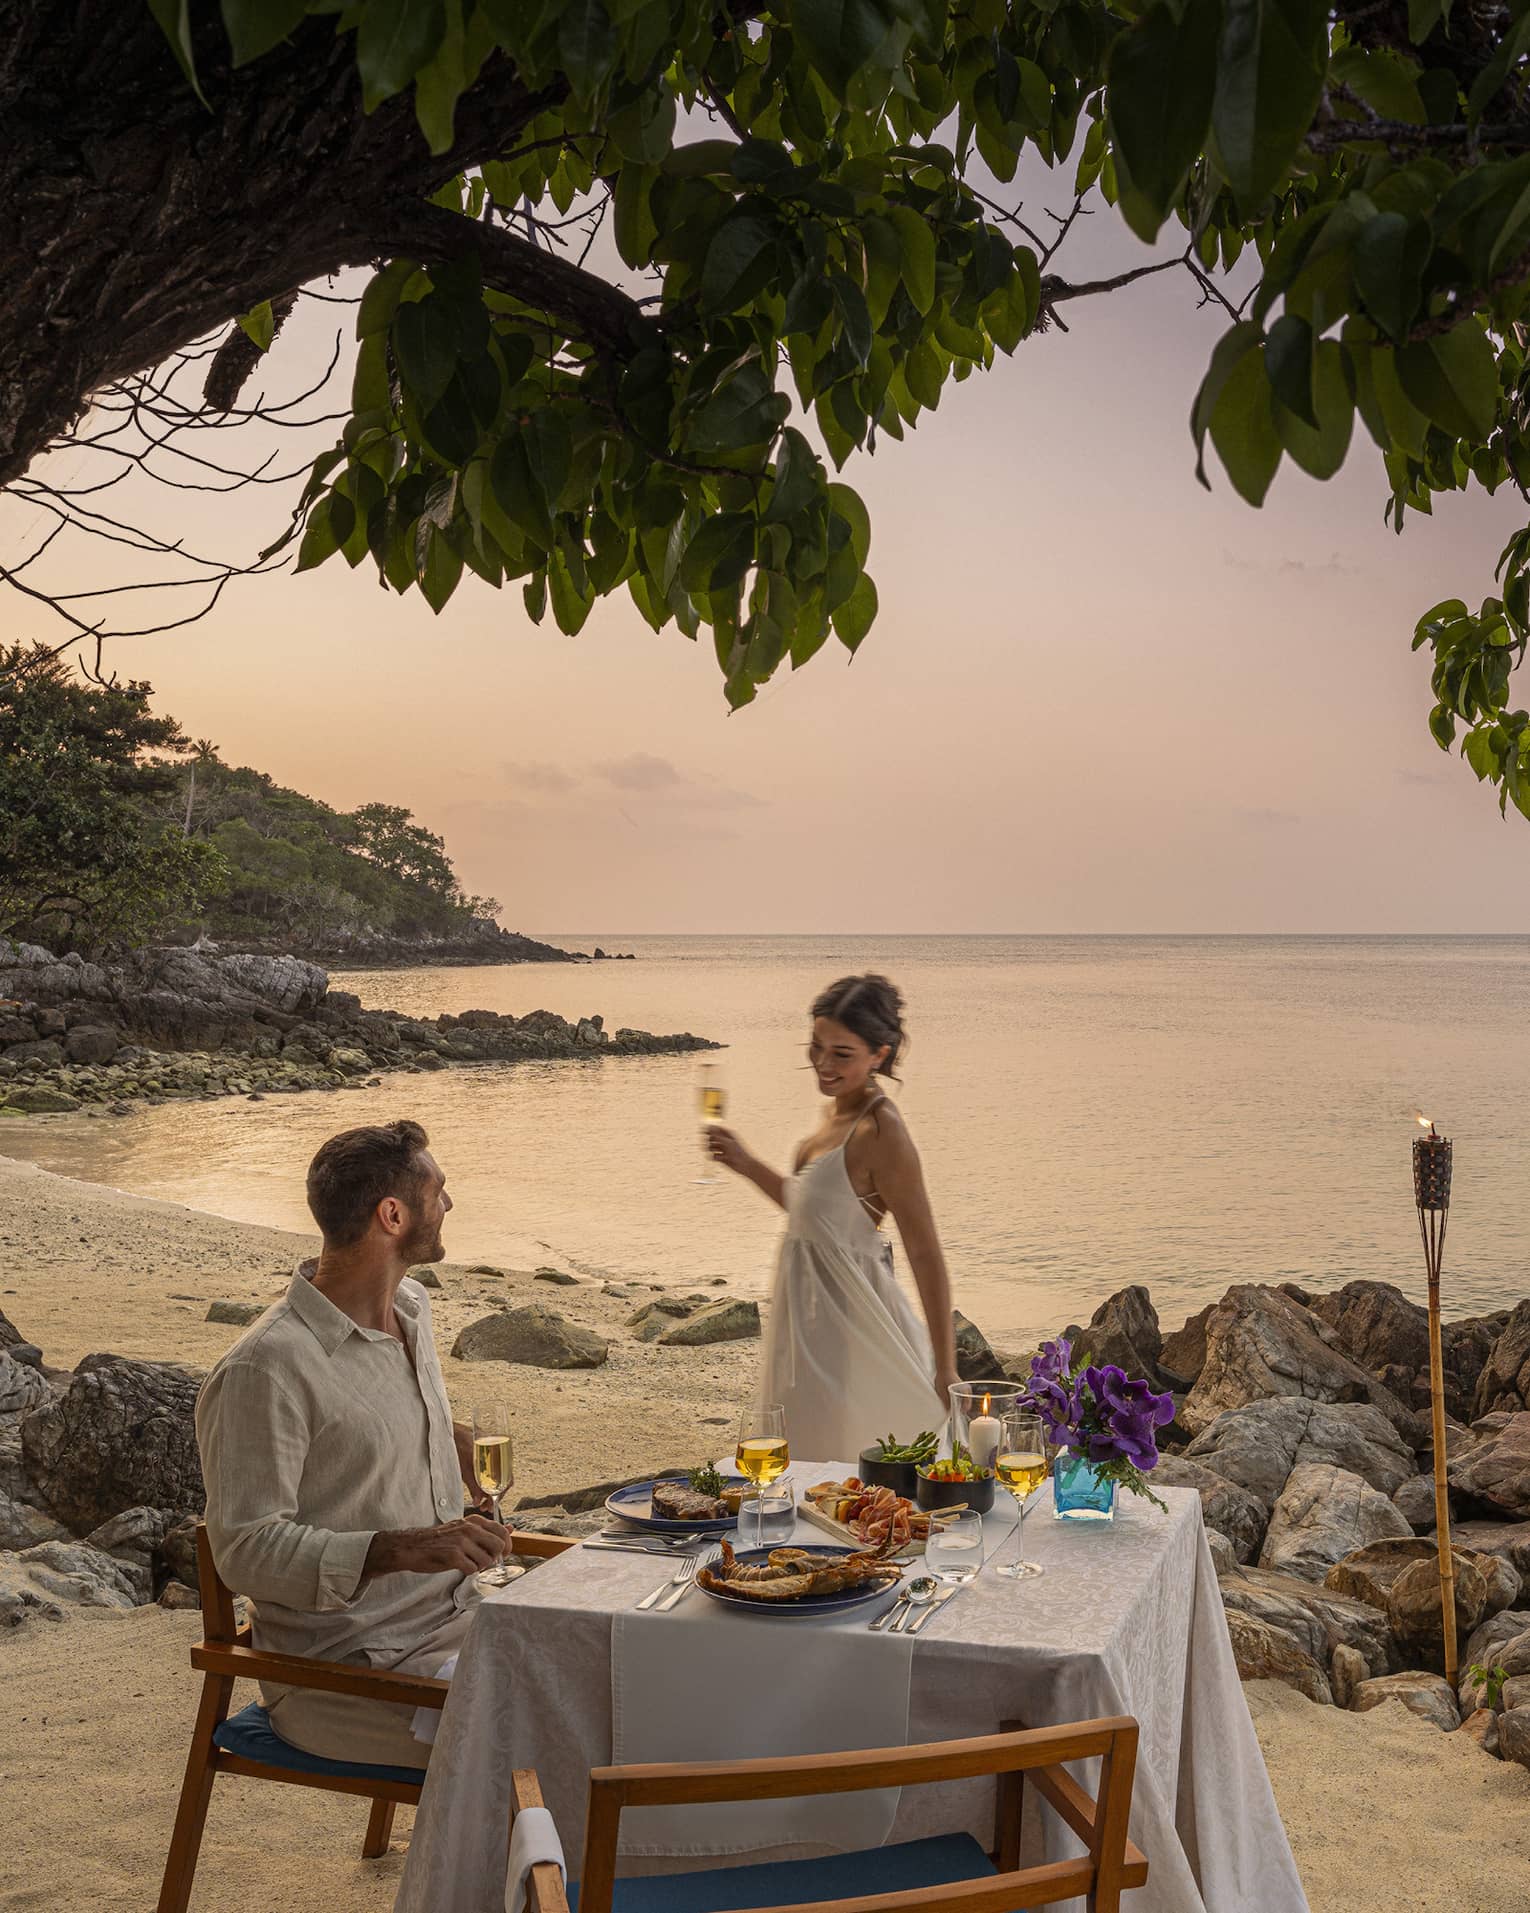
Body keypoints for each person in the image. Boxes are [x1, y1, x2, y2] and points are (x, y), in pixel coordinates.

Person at [196, 1119, 513, 1770]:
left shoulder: (413, 1309)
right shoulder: (266, 1368)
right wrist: (405, 1547)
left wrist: (450, 1443)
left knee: (610, 1667)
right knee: (547, 1729)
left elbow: (365, 1431)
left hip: (457, 1617)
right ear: (392, 1214)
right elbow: (246, 1550)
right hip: (342, 1671)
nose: (449, 1204)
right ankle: (512, 1873)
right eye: (438, 1191)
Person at [707, 974, 959, 1460]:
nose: (823, 1064)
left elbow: (925, 1251)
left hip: (850, 1327)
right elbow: (816, 1216)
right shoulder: (833, 1116)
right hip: (804, 1318)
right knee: (801, 1463)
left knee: (845, 1466)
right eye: (816, 1046)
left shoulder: (881, 1131)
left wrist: (945, 1368)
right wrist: (745, 1163)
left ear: (879, 1055)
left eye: (841, 1054)